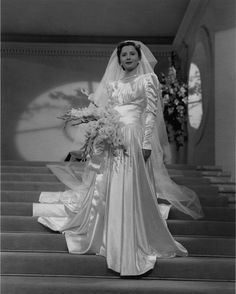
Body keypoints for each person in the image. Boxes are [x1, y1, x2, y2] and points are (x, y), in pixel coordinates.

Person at [33, 40, 203, 276]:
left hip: (134, 137)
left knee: (131, 185)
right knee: (111, 184)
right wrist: (100, 137)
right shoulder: (113, 85)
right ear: (119, 59)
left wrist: (145, 143)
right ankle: (111, 234)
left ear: (138, 57)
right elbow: (108, 113)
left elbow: (151, 113)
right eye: (124, 55)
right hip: (114, 138)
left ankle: (132, 234)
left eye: (132, 54)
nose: (128, 58)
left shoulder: (147, 80)